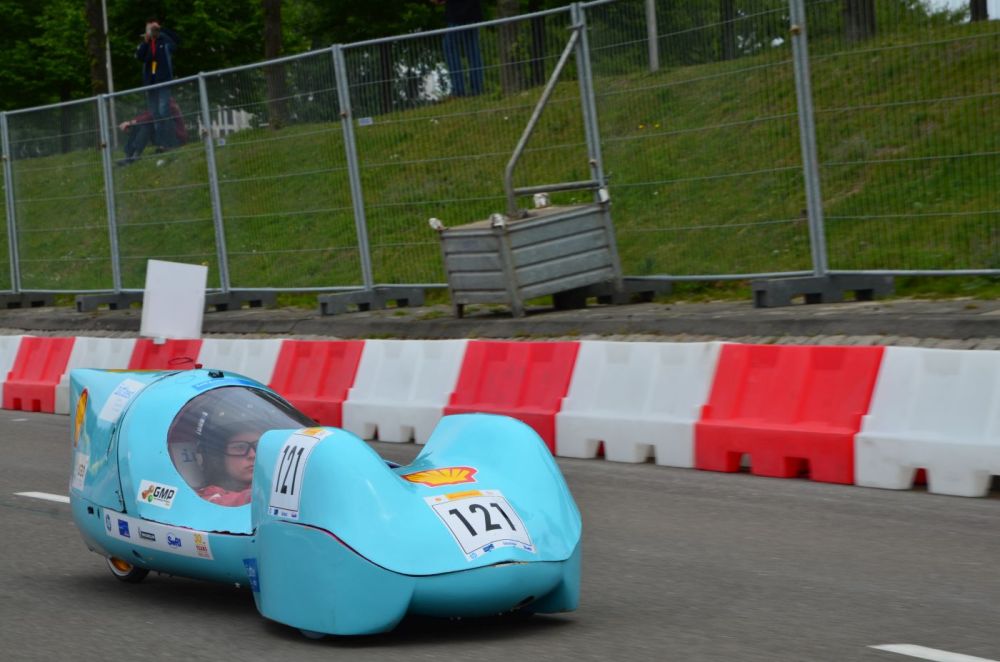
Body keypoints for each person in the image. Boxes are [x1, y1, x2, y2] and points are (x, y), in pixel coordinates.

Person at [135, 18, 179, 151]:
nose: (151, 31)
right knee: (155, 114)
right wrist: (145, 41)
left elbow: (176, 43)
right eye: (149, 29)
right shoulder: (146, 44)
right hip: (151, 83)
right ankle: (162, 144)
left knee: (164, 110)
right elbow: (139, 56)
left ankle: (171, 142)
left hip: (163, 80)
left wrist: (161, 30)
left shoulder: (163, 40)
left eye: (153, 29)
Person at [196, 424, 258, 507]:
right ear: (219, 458)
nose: (253, 455)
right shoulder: (206, 496)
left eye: (259, 446)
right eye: (240, 447)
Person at [117, 97, 188, 166]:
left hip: (176, 140)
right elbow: (146, 114)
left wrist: (131, 123)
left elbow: (151, 116)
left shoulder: (168, 104)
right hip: (164, 137)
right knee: (142, 123)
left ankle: (135, 155)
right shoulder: (158, 103)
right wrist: (130, 123)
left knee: (147, 123)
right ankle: (129, 155)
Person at [435, 0, 484, 97]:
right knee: (472, 50)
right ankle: (477, 89)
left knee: (450, 47)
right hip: (471, 12)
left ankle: (458, 90)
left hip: (459, 14)